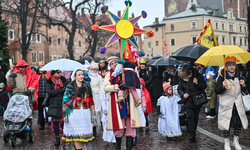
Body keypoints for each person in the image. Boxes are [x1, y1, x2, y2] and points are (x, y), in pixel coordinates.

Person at [104, 56, 142, 150]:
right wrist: (118, 87)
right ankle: (118, 146)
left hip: (129, 100)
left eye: (116, 62)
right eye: (112, 64)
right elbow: (106, 87)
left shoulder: (126, 71)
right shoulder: (109, 75)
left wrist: (127, 84)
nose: (114, 64)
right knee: (119, 125)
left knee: (130, 124)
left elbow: (135, 82)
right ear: (109, 66)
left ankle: (129, 147)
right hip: (117, 102)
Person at [215, 56, 248, 150]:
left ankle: (236, 141)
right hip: (227, 104)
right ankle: (226, 143)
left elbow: (245, 90)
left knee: (238, 123)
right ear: (226, 67)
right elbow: (216, 90)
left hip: (238, 104)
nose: (232, 67)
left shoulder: (239, 75)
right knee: (227, 124)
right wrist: (222, 86)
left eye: (233, 65)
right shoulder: (222, 77)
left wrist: (244, 85)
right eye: (229, 65)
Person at [62, 69, 95, 150]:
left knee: (83, 136)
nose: (81, 76)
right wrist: (65, 113)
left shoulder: (87, 86)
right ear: (75, 76)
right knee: (77, 134)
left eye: (82, 74)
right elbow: (66, 100)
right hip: (74, 112)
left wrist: (93, 112)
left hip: (85, 112)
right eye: (79, 75)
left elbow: (91, 99)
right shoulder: (70, 87)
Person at [177, 66, 207, 143]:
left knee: (195, 117)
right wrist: (183, 94)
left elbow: (204, 86)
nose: (184, 78)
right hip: (188, 100)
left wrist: (197, 83)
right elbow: (179, 89)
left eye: (185, 77)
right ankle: (192, 134)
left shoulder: (197, 76)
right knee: (190, 117)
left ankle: (194, 130)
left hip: (197, 100)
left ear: (189, 74)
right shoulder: (181, 79)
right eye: (183, 77)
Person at [46, 70, 68, 146]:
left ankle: (65, 135)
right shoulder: (49, 81)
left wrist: (62, 90)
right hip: (53, 103)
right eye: (58, 72)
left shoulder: (64, 79)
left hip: (63, 102)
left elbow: (68, 89)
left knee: (64, 121)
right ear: (53, 73)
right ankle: (57, 138)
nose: (60, 74)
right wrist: (61, 90)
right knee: (55, 121)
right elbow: (50, 92)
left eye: (60, 72)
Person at [35, 61, 51, 130]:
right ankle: (42, 124)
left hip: (47, 96)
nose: (41, 69)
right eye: (40, 67)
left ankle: (50, 122)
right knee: (40, 111)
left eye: (43, 67)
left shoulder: (48, 75)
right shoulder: (36, 76)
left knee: (49, 109)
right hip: (40, 96)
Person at [88, 63, 103, 136]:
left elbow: (101, 87)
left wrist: (101, 95)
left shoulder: (99, 77)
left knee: (97, 111)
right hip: (90, 95)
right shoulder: (88, 76)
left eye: (96, 70)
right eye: (94, 70)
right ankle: (90, 128)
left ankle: (95, 128)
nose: (95, 71)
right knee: (90, 111)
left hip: (97, 95)